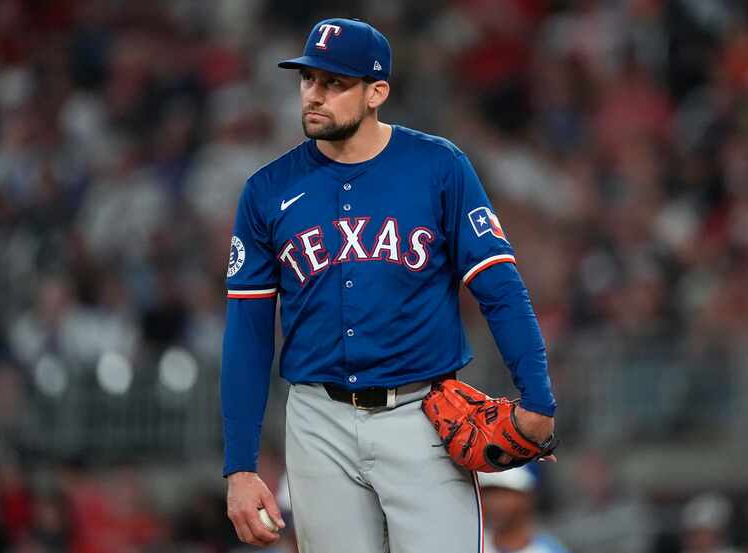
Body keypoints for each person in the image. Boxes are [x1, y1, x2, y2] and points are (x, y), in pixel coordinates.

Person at [221, 17, 557, 553]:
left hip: (421, 415)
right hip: (317, 421)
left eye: (335, 84)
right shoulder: (267, 190)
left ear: (377, 91)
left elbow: (499, 288)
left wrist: (537, 397)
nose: (315, 95)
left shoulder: (439, 167)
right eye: (309, 80)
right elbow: (247, 332)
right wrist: (239, 465)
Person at [478, 466, 569, 553]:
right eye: (488, 492)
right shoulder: (470, 542)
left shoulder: (549, 550)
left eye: (504, 493)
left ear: (529, 496)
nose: (494, 502)